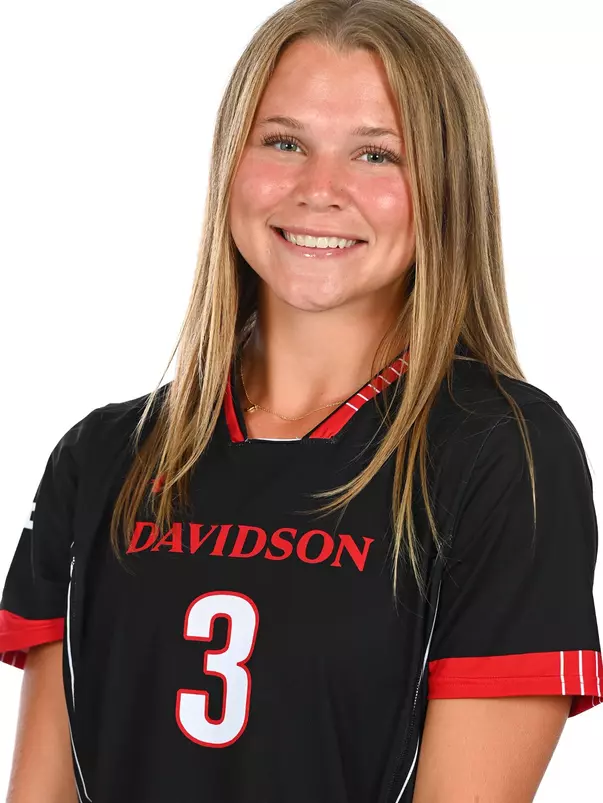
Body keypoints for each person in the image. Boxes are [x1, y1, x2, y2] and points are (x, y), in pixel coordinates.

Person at [1, 0, 601, 801]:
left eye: (377, 155)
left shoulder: (502, 455)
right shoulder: (102, 455)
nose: (320, 190)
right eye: (284, 142)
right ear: (231, 164)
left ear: (447, 184)